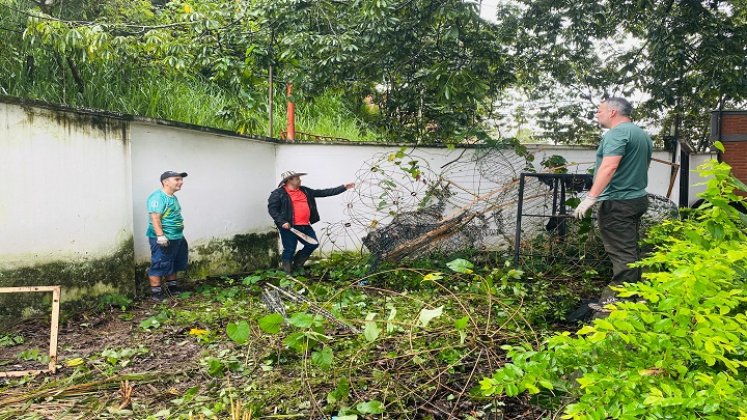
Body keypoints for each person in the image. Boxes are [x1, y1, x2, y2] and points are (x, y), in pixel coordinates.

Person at [574, 97, 653, 312]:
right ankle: (636, 297)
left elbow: (609, 167)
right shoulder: (641, 134)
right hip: (637, 199)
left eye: (599, 110)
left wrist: (591, 197)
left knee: (622, 253)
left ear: (612, 112)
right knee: (630, 250)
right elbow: (643, 165)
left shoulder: (617, 134)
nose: (596, 114)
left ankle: (619, 302)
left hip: (618, 202)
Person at [268, 171, 355, 274]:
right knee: (290, 249)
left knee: (313, 244)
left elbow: (324, 193)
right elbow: (272, 209)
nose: (300, 180)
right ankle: (287, 272)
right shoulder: (278, 194)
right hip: (289, 226)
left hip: (305, 225)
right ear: (289, 181)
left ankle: (297, 264)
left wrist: (343, 187)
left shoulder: (305, 190)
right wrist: (281, 222)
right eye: (297, 178)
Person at [146, 171, 189, 301]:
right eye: (177, 179)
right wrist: (160, 236)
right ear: (165, 182)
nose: (180, 182)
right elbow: (155, 217)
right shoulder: (157, 197)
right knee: (160, 262)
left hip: (176, 237)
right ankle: (156, 293)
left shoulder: (172, 197)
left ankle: (172, 287)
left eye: (181, 179)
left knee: (174, 261)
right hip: (163, 238)